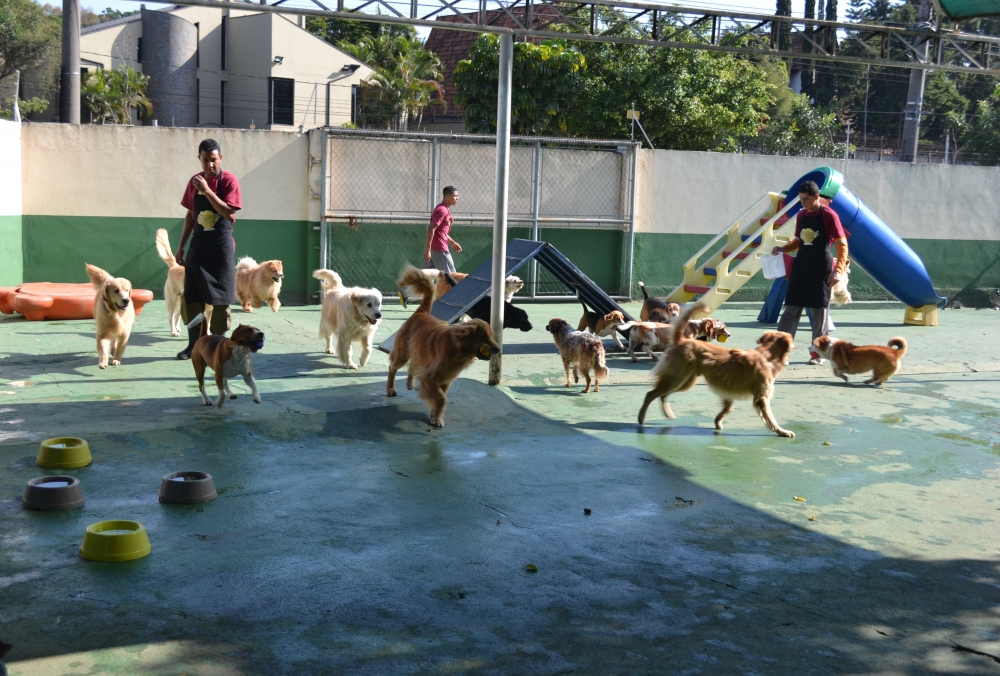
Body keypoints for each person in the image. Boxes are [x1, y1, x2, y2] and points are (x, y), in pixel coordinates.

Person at [175, 138, 243, 359]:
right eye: (205, 160)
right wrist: (182, 245)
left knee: (221, 301)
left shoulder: (229, 181)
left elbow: (229, 213)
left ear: (220, 158)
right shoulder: (194, 182)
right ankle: (194, 345)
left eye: (213, 160)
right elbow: (190, 214)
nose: (210, 165)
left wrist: (207, 192)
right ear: (199, 159)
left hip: (221, 251)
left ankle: (217, 346)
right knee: (191, 298)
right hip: (199, 248)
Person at [771, 180, 848, 365]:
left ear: (816, 197)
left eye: (806, 199)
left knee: (819, 312)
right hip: (801, 268)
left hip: (821, 269)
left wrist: (838, 270)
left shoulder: (829, 215)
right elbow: (799, 240)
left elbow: (841, 244)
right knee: (791, 309)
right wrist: (783, 248)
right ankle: (781, 352)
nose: (803, 202)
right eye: (801, 199)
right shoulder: (802, 215)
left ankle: (818, 354)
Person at [424, 186, 462, 273]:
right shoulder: (442, 210)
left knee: (424, 277)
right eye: (455, 196)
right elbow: (431, 229)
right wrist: (428, 250)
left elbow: (441, 232)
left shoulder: (444, 209)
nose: (457, 198)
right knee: (451, 278)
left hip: (435, 249)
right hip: (440, 250)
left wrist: (452, 243)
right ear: (447, 196)